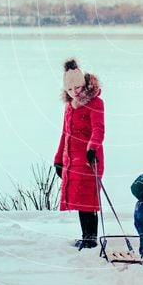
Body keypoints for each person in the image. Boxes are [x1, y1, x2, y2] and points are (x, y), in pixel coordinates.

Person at [53, 58, 105, 249]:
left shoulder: (96, 103)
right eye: (69, 89)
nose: (74, 92)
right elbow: (64, 134)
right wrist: (58, 160)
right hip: (72, 161)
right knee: (80, 200)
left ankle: (91, 240)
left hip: (90, 160)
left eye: (77, 87)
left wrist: (92, 148)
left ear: (84, 84)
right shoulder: (69, 107)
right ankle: (87, 237)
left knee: (88, 201)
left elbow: (98, 130)